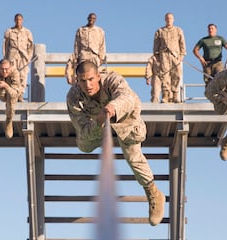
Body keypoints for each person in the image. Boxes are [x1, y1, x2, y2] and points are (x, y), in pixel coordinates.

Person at [67, 61, 165, 226]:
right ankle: (100, 130)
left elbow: (127, 97)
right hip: (98, 124)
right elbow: (81, 127)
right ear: (77, 80)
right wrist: (98, 122)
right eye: (82, 81)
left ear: (98, 76)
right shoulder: (74, 96)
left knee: (133, 157)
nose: (87, 85)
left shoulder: (113, 79)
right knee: (83, 144)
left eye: (91, 79)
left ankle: (153, 192)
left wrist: (112, 107)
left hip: (125, 120)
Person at [153, 12, 186, 103]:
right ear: (165, 20)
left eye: (170, 18)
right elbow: (156, 45)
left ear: (173, 19)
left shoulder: (178, 30)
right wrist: (157, 56)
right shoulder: (160, 31)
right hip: (163, 55)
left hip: (175, 55)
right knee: (165, 75)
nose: (169, 20)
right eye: (167, 18)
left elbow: (182, 43)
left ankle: (175, 94)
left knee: (177, 74)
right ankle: (166, 95)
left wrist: (182, 55)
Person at [0, 59, 22, 139]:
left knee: (11, 98)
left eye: (6, 69)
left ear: (10, 68)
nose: (4, 71)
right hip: (2, 94)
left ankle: (9, 119)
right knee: (7, 96)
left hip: (13, 93)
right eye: (2, 69)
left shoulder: (15, 73)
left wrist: (6, 86)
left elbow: (14, 94)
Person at [3, 13, 34, 98]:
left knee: (23, 76)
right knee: (12, 75)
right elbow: (5, 46)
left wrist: (29, 57)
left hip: (23, 57)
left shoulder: (27, 32)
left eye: (20, 20)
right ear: (14, 20)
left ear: (22, 20)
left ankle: (20, 95)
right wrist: (5, 59)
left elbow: (31, 46)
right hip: (12, 57)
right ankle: (13, 94)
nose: (18, 21)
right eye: (17, 20)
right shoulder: (9, 31)